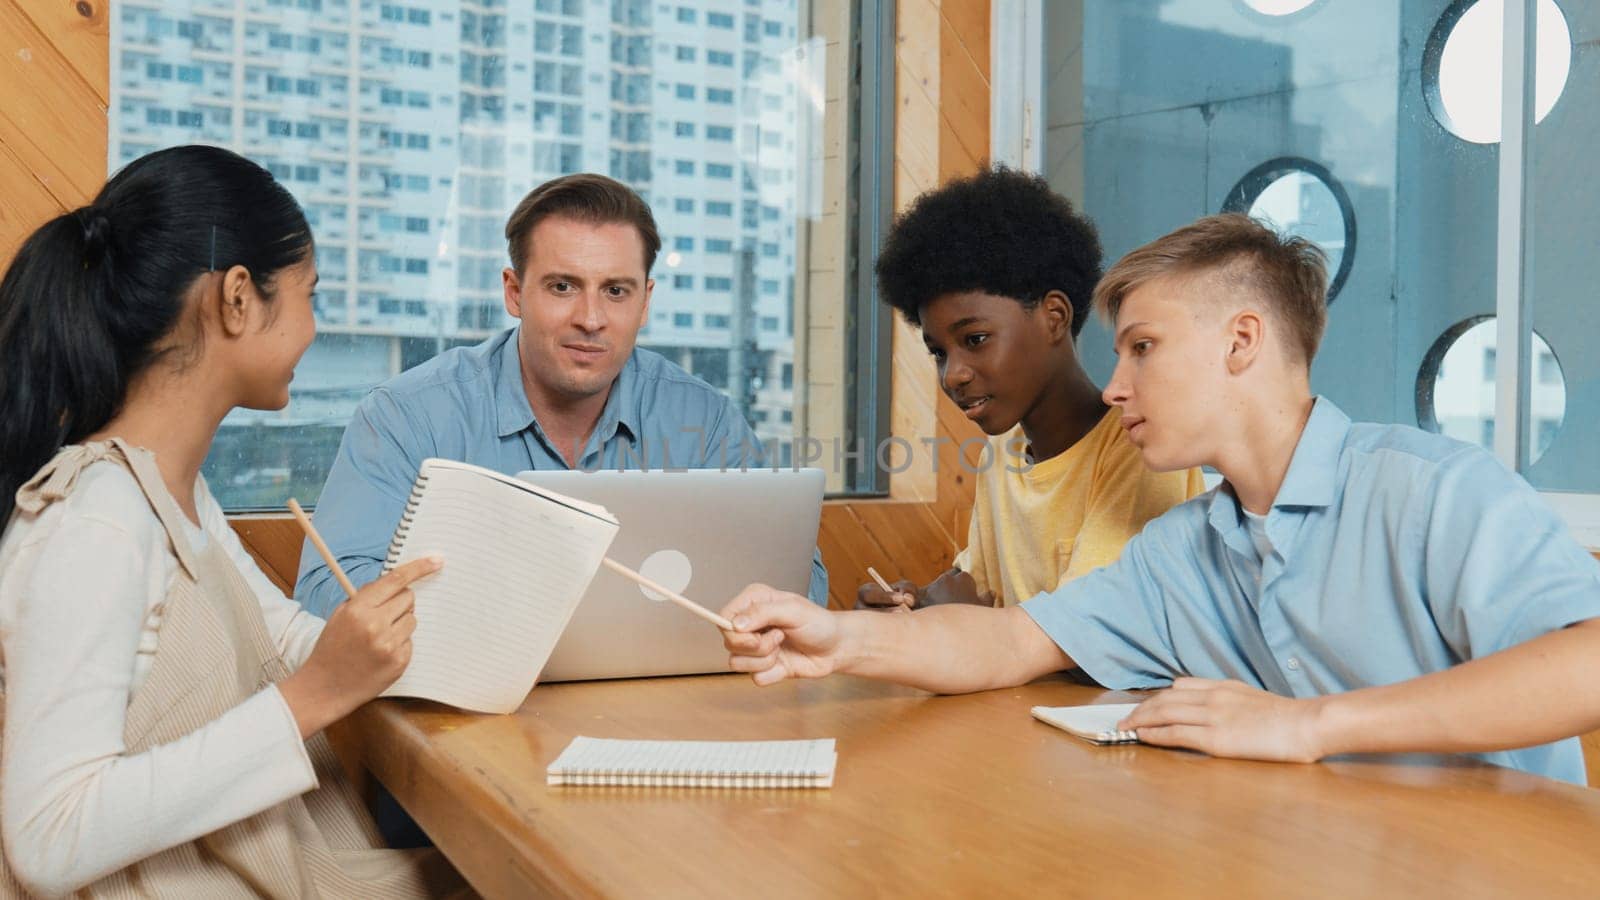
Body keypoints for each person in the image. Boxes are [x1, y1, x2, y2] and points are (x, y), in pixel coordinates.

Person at [719, 213, 1600, 785]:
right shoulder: (1186, 548)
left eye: (1142, 348)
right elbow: (1012, 639)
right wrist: (842, 638)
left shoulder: (1435, 491)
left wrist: (1307, 727)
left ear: (1242, 342)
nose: (1114, 386)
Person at [0, 146, 462, 895]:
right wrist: (315, 694)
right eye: (309, 293)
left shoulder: (174, 490)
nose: (315, 328)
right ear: (237, 298)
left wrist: (438, 647)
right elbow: (47, 838)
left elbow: (277, 634)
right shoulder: (96, 521)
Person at [297, 173, 826, 617]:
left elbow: (802, 585)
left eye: (616, 291)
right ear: (513, 292)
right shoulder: (406, 416)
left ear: (645, 303)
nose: (591, 319)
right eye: (562, 287)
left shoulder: (704, 420)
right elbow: (329, 595)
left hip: (657, 705)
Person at [858, 166, 1202, 611]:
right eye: (938, 352)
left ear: (1054, 317)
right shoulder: (1002, 454)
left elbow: (1084, 633)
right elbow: (978, 590)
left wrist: (942, 621)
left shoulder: (1141, 449)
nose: (953, 375)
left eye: (975, 340)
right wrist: (915, 602)